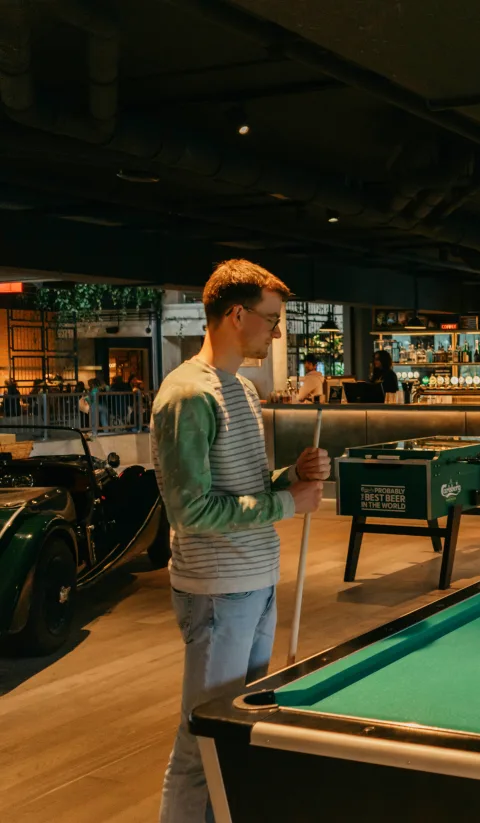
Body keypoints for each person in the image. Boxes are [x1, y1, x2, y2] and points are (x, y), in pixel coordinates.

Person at [152, 259, 330, 823]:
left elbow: (243, 487)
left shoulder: (244, 390)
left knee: (233, 734)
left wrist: (291, 476)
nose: (277, 332)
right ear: (236, 315)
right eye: (271, 319)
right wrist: (287, 503)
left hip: (255, 581)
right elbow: (192, 510)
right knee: (198, 742)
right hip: (218, 588)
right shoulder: (187, 394)